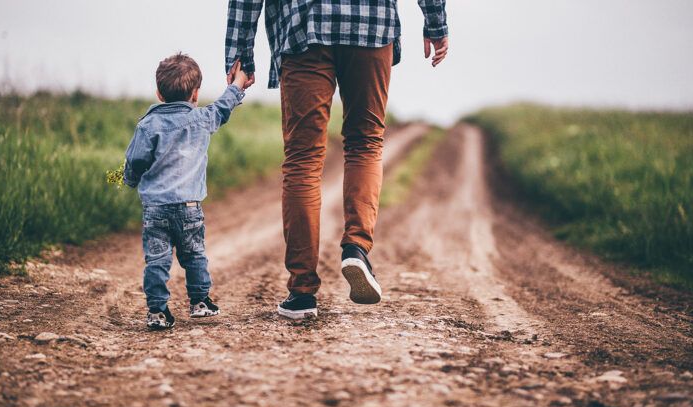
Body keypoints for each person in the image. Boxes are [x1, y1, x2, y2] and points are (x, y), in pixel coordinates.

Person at [224, 0, 449, 319]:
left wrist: (240, 52)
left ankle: (302, 291)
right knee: (365, 142)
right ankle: (356, 247)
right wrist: (435, 23)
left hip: (305, 26)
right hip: (372, 24)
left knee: (303, 159)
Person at [123, 53, 248, 329]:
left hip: (155, 210)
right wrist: (238, 84)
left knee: (157, 259)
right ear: (195, 93)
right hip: (190, 208)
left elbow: (135, 161)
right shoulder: (201, 119)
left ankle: (157, 311)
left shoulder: (147, 125)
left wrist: (129, 180)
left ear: (158, 93)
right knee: (194, 254)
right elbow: (223, 107)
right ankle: (200, 301)